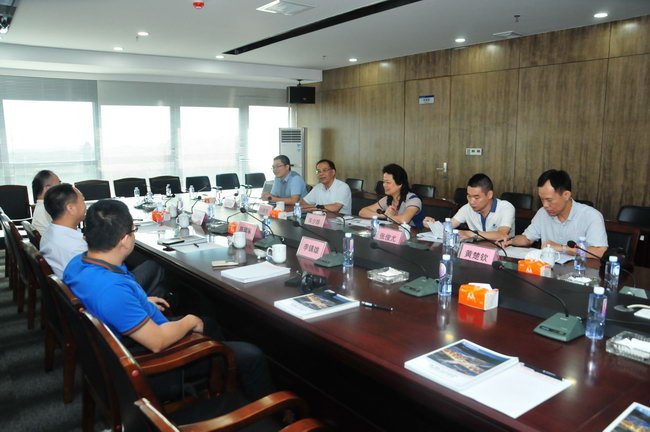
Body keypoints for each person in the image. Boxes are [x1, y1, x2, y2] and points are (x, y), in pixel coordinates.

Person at [63, 199, 273, 400]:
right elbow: (158, 342)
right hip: (153, 364)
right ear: (125, 240)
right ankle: (261, 408)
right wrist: (189, 320)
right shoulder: (112, 291)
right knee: (251, 355)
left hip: (130, 341)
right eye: (133, 230)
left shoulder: (77, 263)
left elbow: (113, 302)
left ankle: (220, 378)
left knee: (209, 323)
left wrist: (140, 302)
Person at [40, 183, 167, 298]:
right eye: (82, 200)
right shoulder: (74, 248)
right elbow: (101, 279)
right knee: (155, 265)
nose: (85, 205)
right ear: (71, 208)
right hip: (107, 290)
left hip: (90, 287)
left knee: (158, 289)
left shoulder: (52, 232)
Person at [501, 169, 608, 258]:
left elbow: (600, 251)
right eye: (542, 200)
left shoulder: (591, 216)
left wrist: (563, 248)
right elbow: (527, 239)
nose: (545, 205)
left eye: (549, 200)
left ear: (566, 195)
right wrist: (510, 240)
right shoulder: (543, 213)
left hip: (579, 272)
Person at [423, 173, 515, 241]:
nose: (471, 201)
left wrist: (472, 234)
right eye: (469, 196)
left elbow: (502, 234)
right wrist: (432, 225)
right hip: (477, 250)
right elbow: (448, 227)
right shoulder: (467, 208)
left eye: (476, 197)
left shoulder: (506, 207)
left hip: (503, 252)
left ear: (489, 194)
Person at [359, 163, 425, 227]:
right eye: (384, 182)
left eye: (388, 182)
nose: (384, 185)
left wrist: (389, 216)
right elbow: (362, 212)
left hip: (414, 233)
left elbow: (404, 220)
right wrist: (384, 215)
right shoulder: (388, 199)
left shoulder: (413, 200)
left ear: (400, 184)